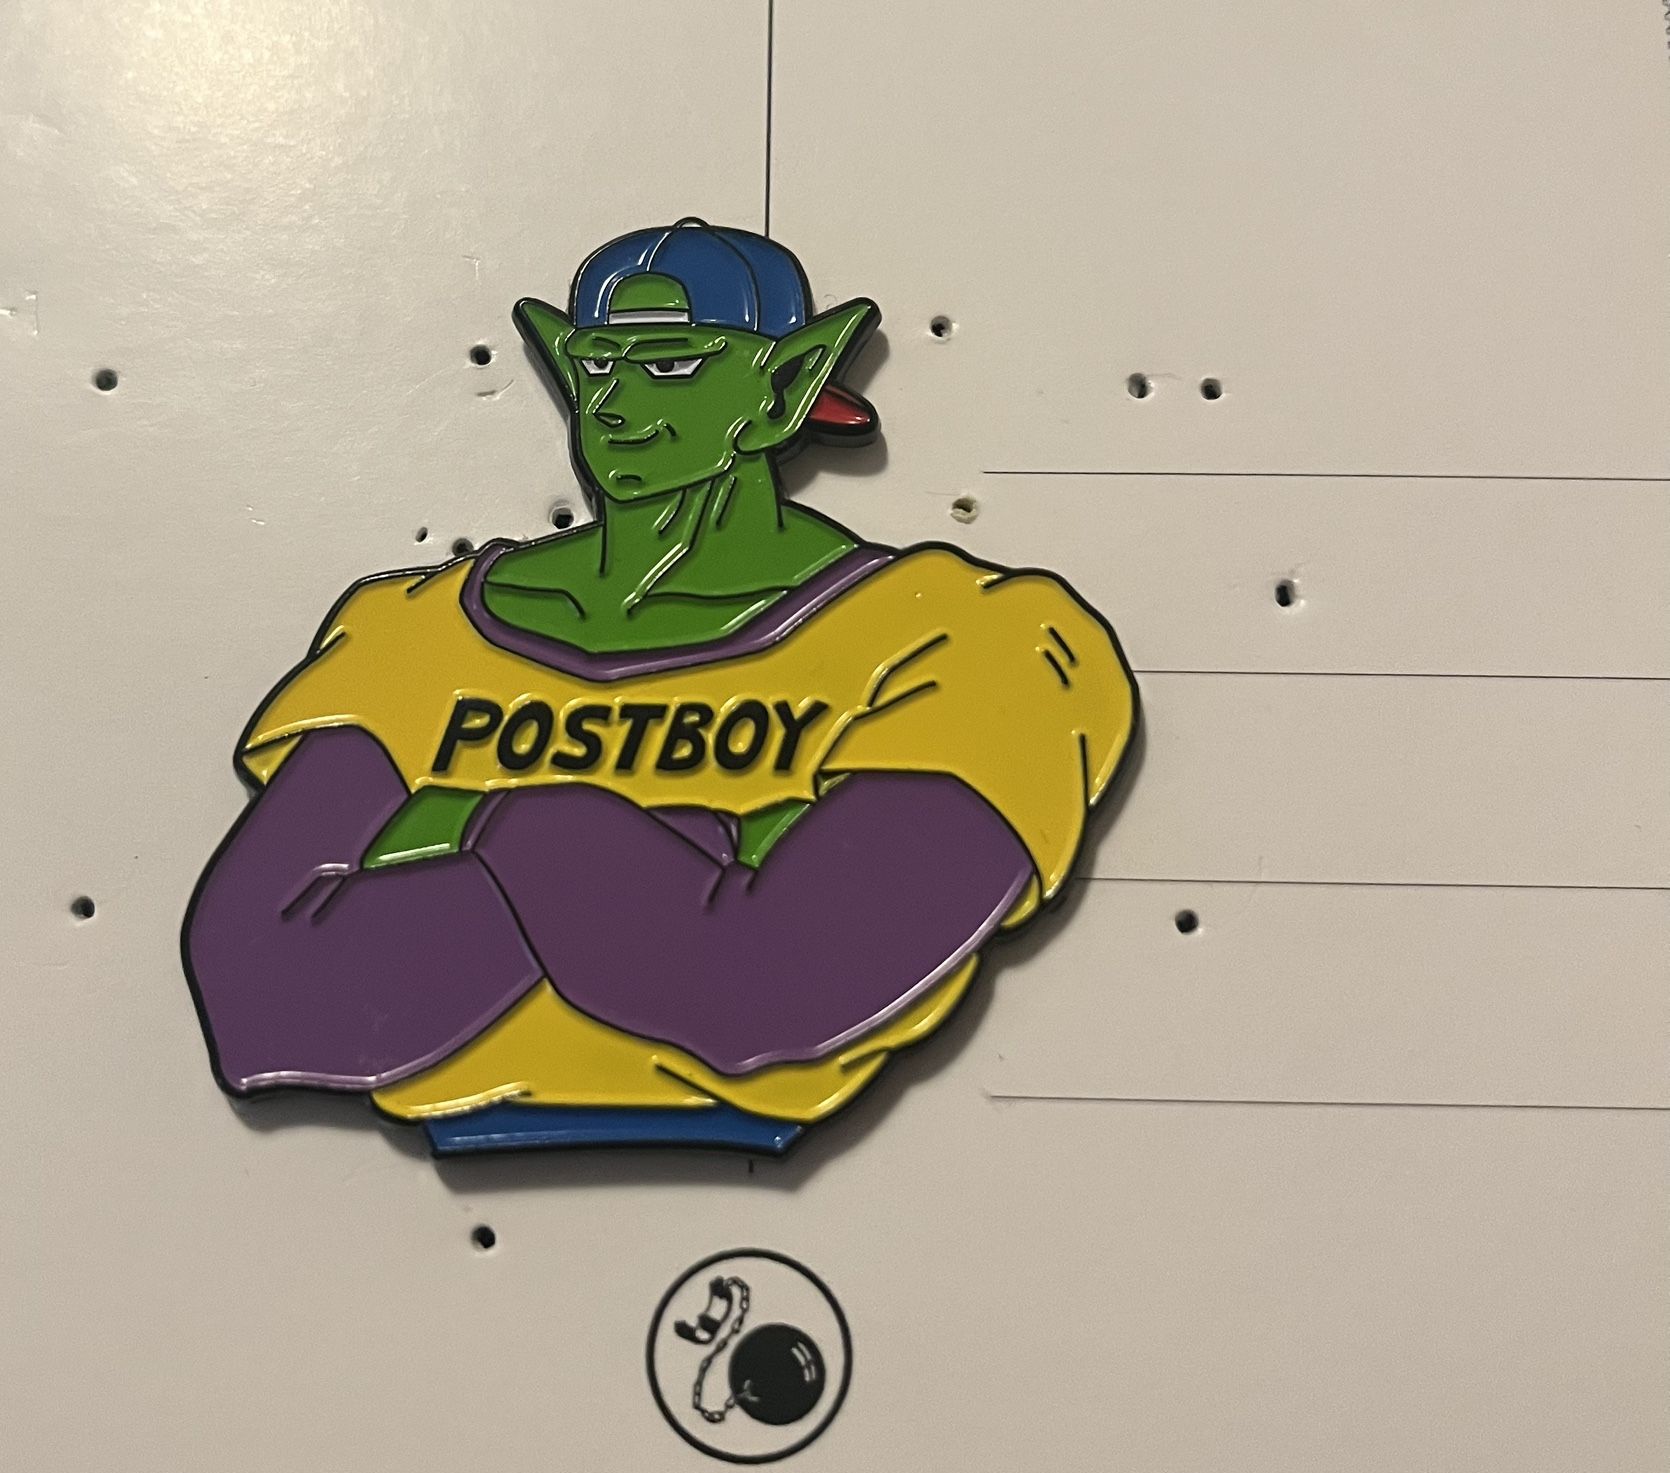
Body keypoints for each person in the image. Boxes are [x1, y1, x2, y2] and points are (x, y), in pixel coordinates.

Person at [183, 219, 1137, 1154]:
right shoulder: (410, 628)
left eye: (673, 365)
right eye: (597, 366)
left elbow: (779, 983)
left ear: (786, 388)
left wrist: (469, 822)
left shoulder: (968, 635)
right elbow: (267, 997)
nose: (614, 404)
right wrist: (712, 846)